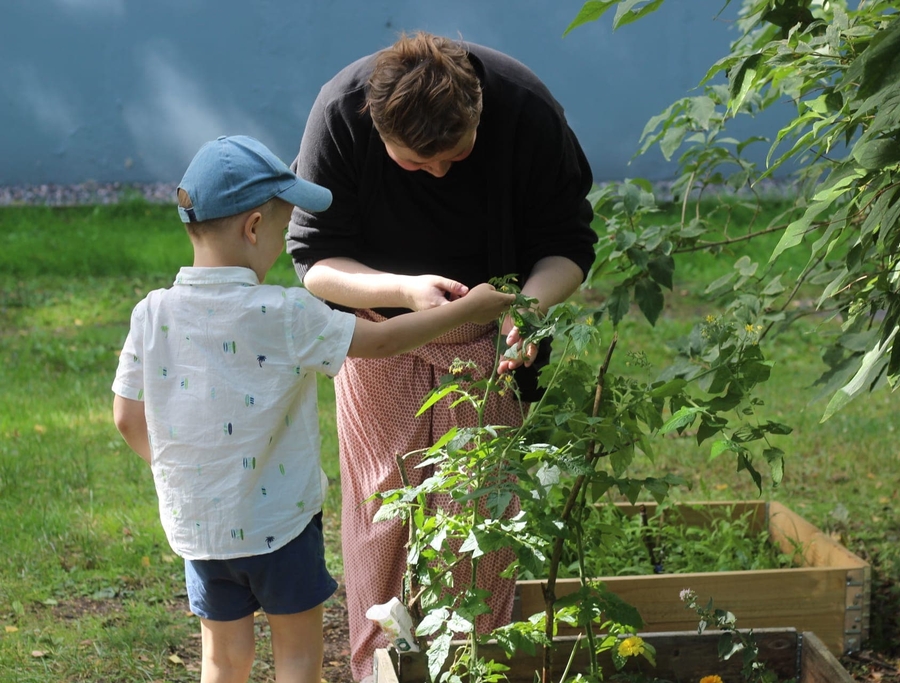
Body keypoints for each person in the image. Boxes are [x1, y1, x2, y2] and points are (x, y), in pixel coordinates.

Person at [110, 135, 514, 683]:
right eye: (281, 230)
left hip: (200, 527)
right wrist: (468, 309)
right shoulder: (285, 312)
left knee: (222, 659)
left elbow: (126, 418)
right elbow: (384, 343)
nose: (282, 244)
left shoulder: (150, 312)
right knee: (298, 659)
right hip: (282, 525)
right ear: (253, 227)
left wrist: (189, 477)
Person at [287, 31, 598, 680]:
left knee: (480, 513)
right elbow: (314, 261)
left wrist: (527, 308)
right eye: (416, 165)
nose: (439, 174)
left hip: (489, 341)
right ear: (377, 127)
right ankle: (381, 667)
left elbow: (568, 243)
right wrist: (403, 291)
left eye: (456, 156)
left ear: (478, 112)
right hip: (377, 336)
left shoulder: (527, 112)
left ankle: (473, 665)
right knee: (381, 511)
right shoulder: (340, 115)